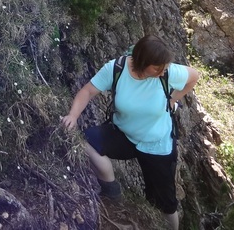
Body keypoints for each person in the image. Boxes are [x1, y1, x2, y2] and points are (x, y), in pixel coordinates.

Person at [61, 35, 200, 230]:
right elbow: (88, 91)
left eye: (164, 68)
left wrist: (173, 99)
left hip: (156, 144)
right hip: (123, 134)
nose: (162, 72)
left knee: (165, 203)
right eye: (157, 68)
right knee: (85, 141)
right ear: (142, 62)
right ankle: (111, 192)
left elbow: (194, 76)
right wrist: (73, 116)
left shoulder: (168, 72)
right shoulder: (116, 69)